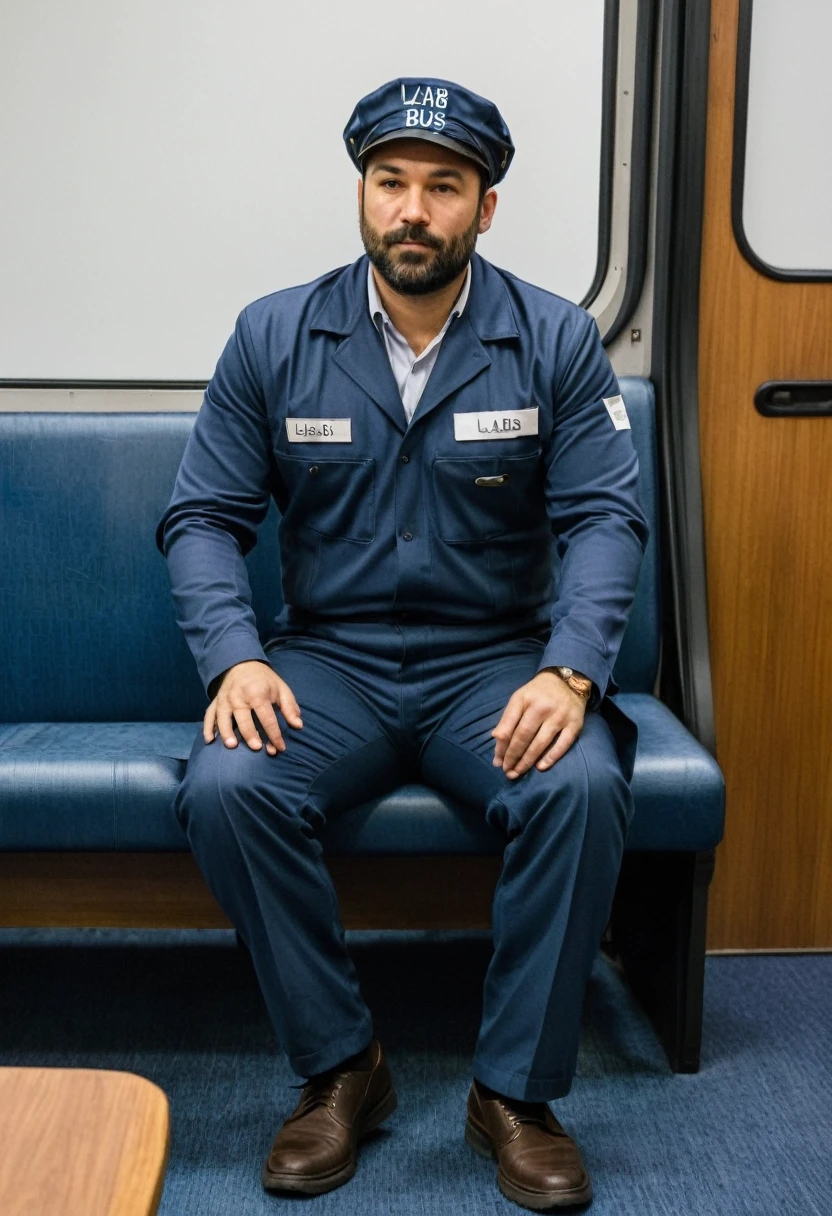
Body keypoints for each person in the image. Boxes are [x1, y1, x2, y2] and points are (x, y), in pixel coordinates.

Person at [156, 76, 648, 1210]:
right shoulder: (273, 334)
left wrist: (570, 670)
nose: (411, 210)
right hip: (332, 663)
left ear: (485, 206)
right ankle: (341, 1069)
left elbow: (604, 519)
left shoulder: (555, 339)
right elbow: (203, 520)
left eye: (442, 187)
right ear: (362, 194)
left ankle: (513, 1094)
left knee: (580, 785)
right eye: (390, 183)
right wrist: (236, 656)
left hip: (496, 663)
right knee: (229, 785)